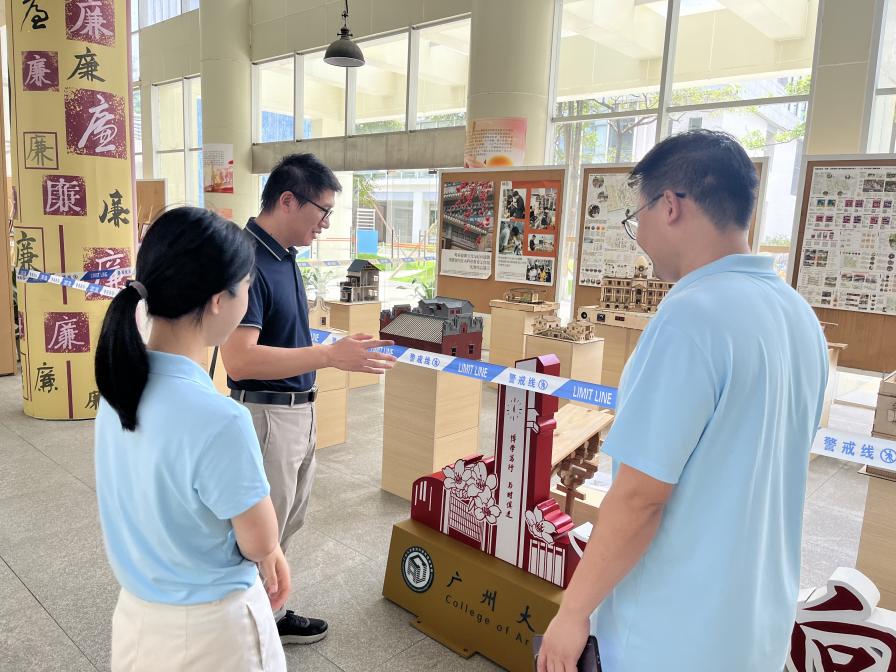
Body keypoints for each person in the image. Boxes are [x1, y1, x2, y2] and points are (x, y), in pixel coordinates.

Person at [536, 130, 828, 672]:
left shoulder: (691, 316)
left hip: (670, 633)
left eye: (637, 216)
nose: (639, 236)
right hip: (757, 628)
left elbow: (640, 498)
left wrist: (573, 612)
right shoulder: (798, 315)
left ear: (669, 205)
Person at [94, 207, 289, 672]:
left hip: (137, 621)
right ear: (219, 300)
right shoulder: (221, 419)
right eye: (247, 286)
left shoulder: (118, 389)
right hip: (213, 633)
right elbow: (259, 540)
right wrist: (270, 549)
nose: (248, 299)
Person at [220, 153, 397, 645]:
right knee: (259, 533)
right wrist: (329, 356)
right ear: (287, 200)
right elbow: (240, 360)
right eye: (322, 211)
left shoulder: (283, 256)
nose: (325, 223)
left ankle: (269, 615)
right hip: (266, 415)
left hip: (297, 411)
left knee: (283, 525)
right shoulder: (246, 261)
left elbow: (280, 336)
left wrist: (333, 348)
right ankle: (241, 633)